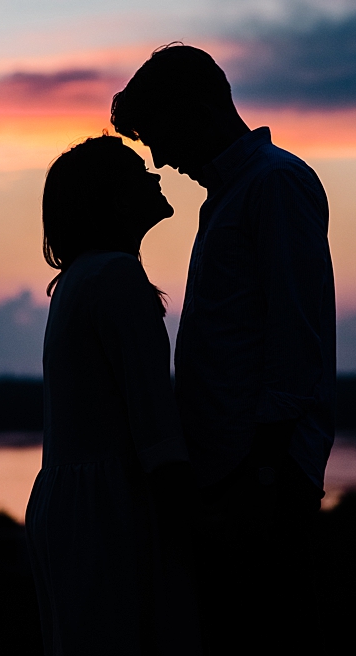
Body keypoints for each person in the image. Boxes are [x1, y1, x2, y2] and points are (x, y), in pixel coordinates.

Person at [111, 44, 336, 654]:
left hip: (259, 479)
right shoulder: (230, 197)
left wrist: (262, 476)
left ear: (197, 111)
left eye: (157, 133)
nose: (158, 156)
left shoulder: (276, 184)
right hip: (232, 477)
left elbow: (294, 344)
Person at [25, 135, 202, 656]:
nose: (154, 174)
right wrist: (191, 525)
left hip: (70, 508)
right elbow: (155, 426)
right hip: (110, 514)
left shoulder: (80, 279)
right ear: (112, 196)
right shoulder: (116, 276)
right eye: (135, 171)